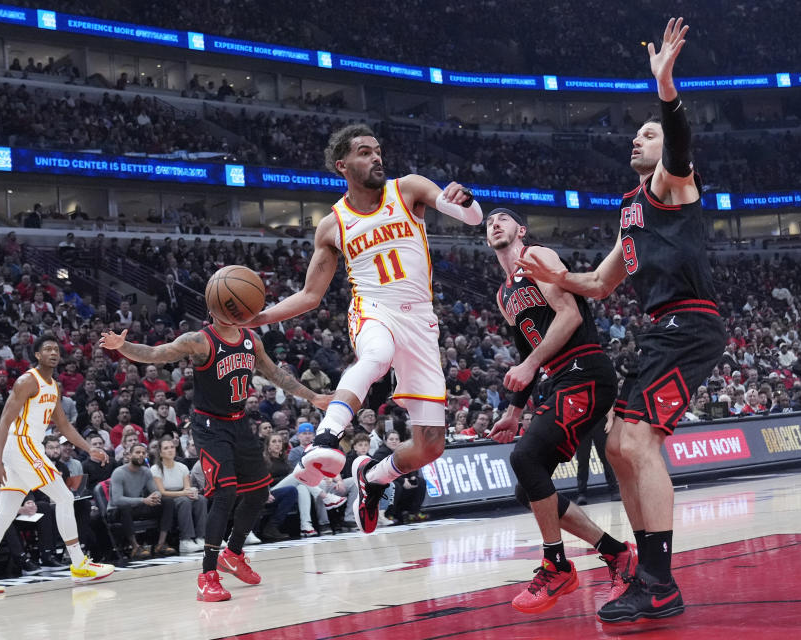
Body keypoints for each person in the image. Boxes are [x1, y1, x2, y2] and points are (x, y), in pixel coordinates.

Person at [516, 18, 724, 623]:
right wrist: (555, 278)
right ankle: (649, 578)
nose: (640, 139)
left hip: (690, 321)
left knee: (635, 441)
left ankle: (658, 580)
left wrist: (667, 91)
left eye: (649, 133)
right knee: (616, 446)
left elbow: (681, 145)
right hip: (662, 326)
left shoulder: (672, 185)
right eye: (637, 134)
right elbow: (602, 283)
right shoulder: (631, 208)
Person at [244, 123, 483, 534]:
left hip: (420, 321)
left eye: (378, 151)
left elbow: (471, 217)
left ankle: (372, 478)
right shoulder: (333, 224)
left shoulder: (408, 188)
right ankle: (324, 440)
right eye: (365, 152)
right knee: (374, 355)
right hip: (374, 308)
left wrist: (468, 202)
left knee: (431, 446)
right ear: (343, 165)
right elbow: (309, 296)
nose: (377, 158)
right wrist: (261, 317)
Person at [100, 312, 331, 602]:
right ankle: (207, 575)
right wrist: (124, 346)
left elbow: (275, 374)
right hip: (209, 425)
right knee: (225, 493)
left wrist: (312, 397)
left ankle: (232, 554)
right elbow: (157, 353)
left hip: (239, 422)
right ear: (218, 308)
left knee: (260, 491)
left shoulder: (251, 341)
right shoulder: (200, 340)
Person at [485, 208, 634, 614]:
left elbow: (568, 315)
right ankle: (617, 553)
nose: (494, 224)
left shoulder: (539, 257)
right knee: (528, 486)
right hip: (559, 379)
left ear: (521, 230)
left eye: (503, 220)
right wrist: (515, 410)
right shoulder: (503, 295)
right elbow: (525, 352)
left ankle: (556, 564)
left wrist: (531, 365)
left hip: (585, 370)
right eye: (488, 223)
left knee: (525, 458)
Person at [0, 335, 114, 596]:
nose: (53, 353)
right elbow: (4, 421)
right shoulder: (27, 381)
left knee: (5, 513)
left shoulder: (54, 386)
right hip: (21, 444)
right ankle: (79, 564)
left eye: (56, 349)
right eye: (47, 349)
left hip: (27, 447)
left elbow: (64, 425)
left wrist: (88, 448)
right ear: (37, 354)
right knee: (63, 496)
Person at [152, 437, 207, 555]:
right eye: (166, 448)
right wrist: (184, 493)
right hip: (165, 500)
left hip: (181, 495)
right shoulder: (155, 469)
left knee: (201, 499)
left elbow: (187, 488)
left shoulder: (182, 467)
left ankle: (201, 537)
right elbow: (162, 492)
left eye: (172, 447)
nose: (170, 450)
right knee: (184, 501)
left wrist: (192, 492)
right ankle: (185, 540)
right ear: (160, 453)